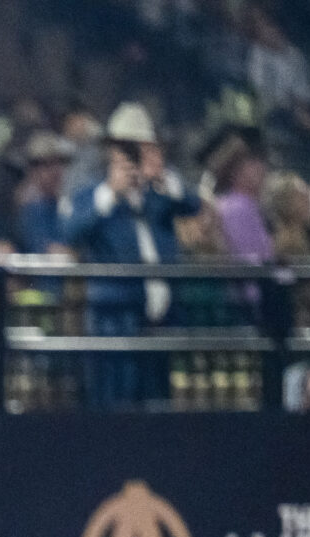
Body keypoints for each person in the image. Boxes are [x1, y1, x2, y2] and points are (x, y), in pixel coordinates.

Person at [62, 103, 199, 407]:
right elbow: (71, 232)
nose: (133, 156)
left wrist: (162, 177)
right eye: (126, 148)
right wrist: (112, 193)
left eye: (140, 149)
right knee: (115, 408)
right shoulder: (92, 193)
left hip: (160, 320)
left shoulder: (160, 193)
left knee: (158, 407)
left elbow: (193, 204)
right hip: (115, 319)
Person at [206, 133, 275, 261]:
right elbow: (249, 259)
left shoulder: (249, 205)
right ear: (235, 171)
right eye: (252, 163)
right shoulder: (236, 207)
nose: (261, 168)